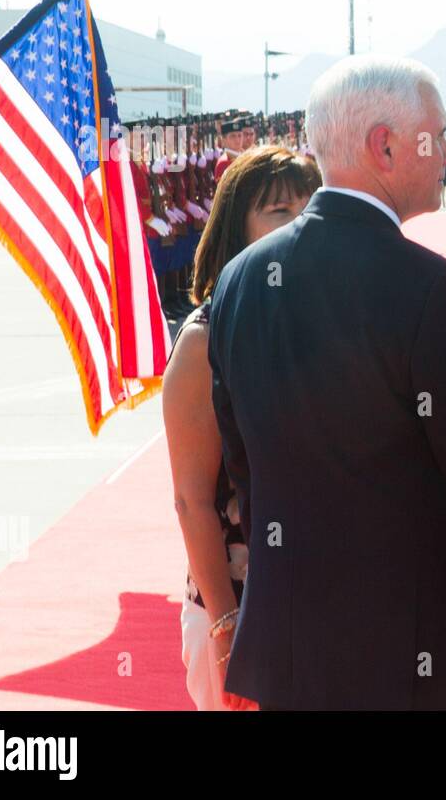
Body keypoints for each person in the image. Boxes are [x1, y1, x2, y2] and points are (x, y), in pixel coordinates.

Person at [206, 55, 446, 710]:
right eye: (437, 136)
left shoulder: (242, 278)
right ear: (386, 145)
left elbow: (245, 464)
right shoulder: (433, 289)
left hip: (291, 654)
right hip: (413, 660)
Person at [163, 145, 320, 712]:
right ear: (238, 227)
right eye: (280, 211)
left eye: (311, 208)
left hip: (327, 602)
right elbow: (192, 502)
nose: (300, 225)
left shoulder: (332, 322)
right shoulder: (206, 340)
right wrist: (228, 631)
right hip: (241, 604)